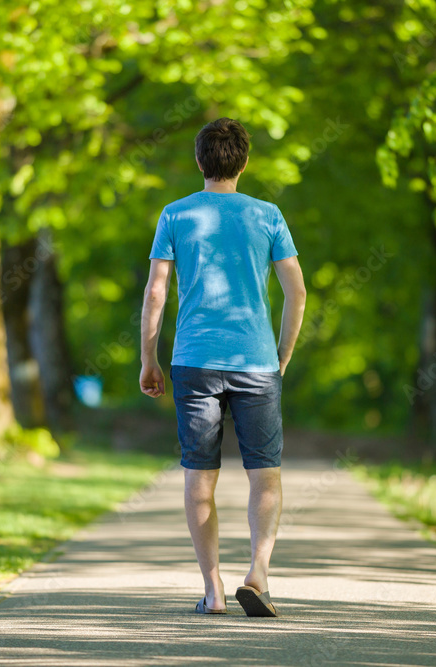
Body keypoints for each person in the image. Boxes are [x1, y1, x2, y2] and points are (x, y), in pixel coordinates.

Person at [138, 117, 307, 617]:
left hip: (194, 359)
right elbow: (296, 290)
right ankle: (257, 573)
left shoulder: (175, 214)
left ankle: (213, 591)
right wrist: (284, 353)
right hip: (257, 360)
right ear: (245, 162)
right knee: (266, 474)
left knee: (199, 475)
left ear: (199, 162)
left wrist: (148, 357)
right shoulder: (268, 215)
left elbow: (155, 291)